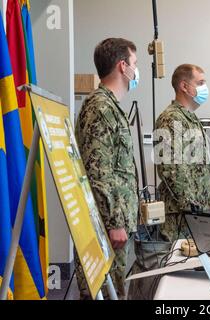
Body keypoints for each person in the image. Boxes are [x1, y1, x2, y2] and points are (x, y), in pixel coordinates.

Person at [74, 38, 140, 299]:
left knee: (115, 291)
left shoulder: (110, 106)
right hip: (108, 228)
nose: (136, 70)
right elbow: (99, 170)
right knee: (103, 293)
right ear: (122, 66)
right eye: (134, 63)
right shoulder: (100, 107)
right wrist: (114, 222)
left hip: (116, 224)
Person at [154, 64, 210, 243]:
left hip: (196, 212)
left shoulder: (190, 118)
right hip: (181, 215)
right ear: (184, 86)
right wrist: (191, 208)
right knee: (177, 265)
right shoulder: (171, 119)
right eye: (200, 82)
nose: (204, 88)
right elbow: (171, 169)